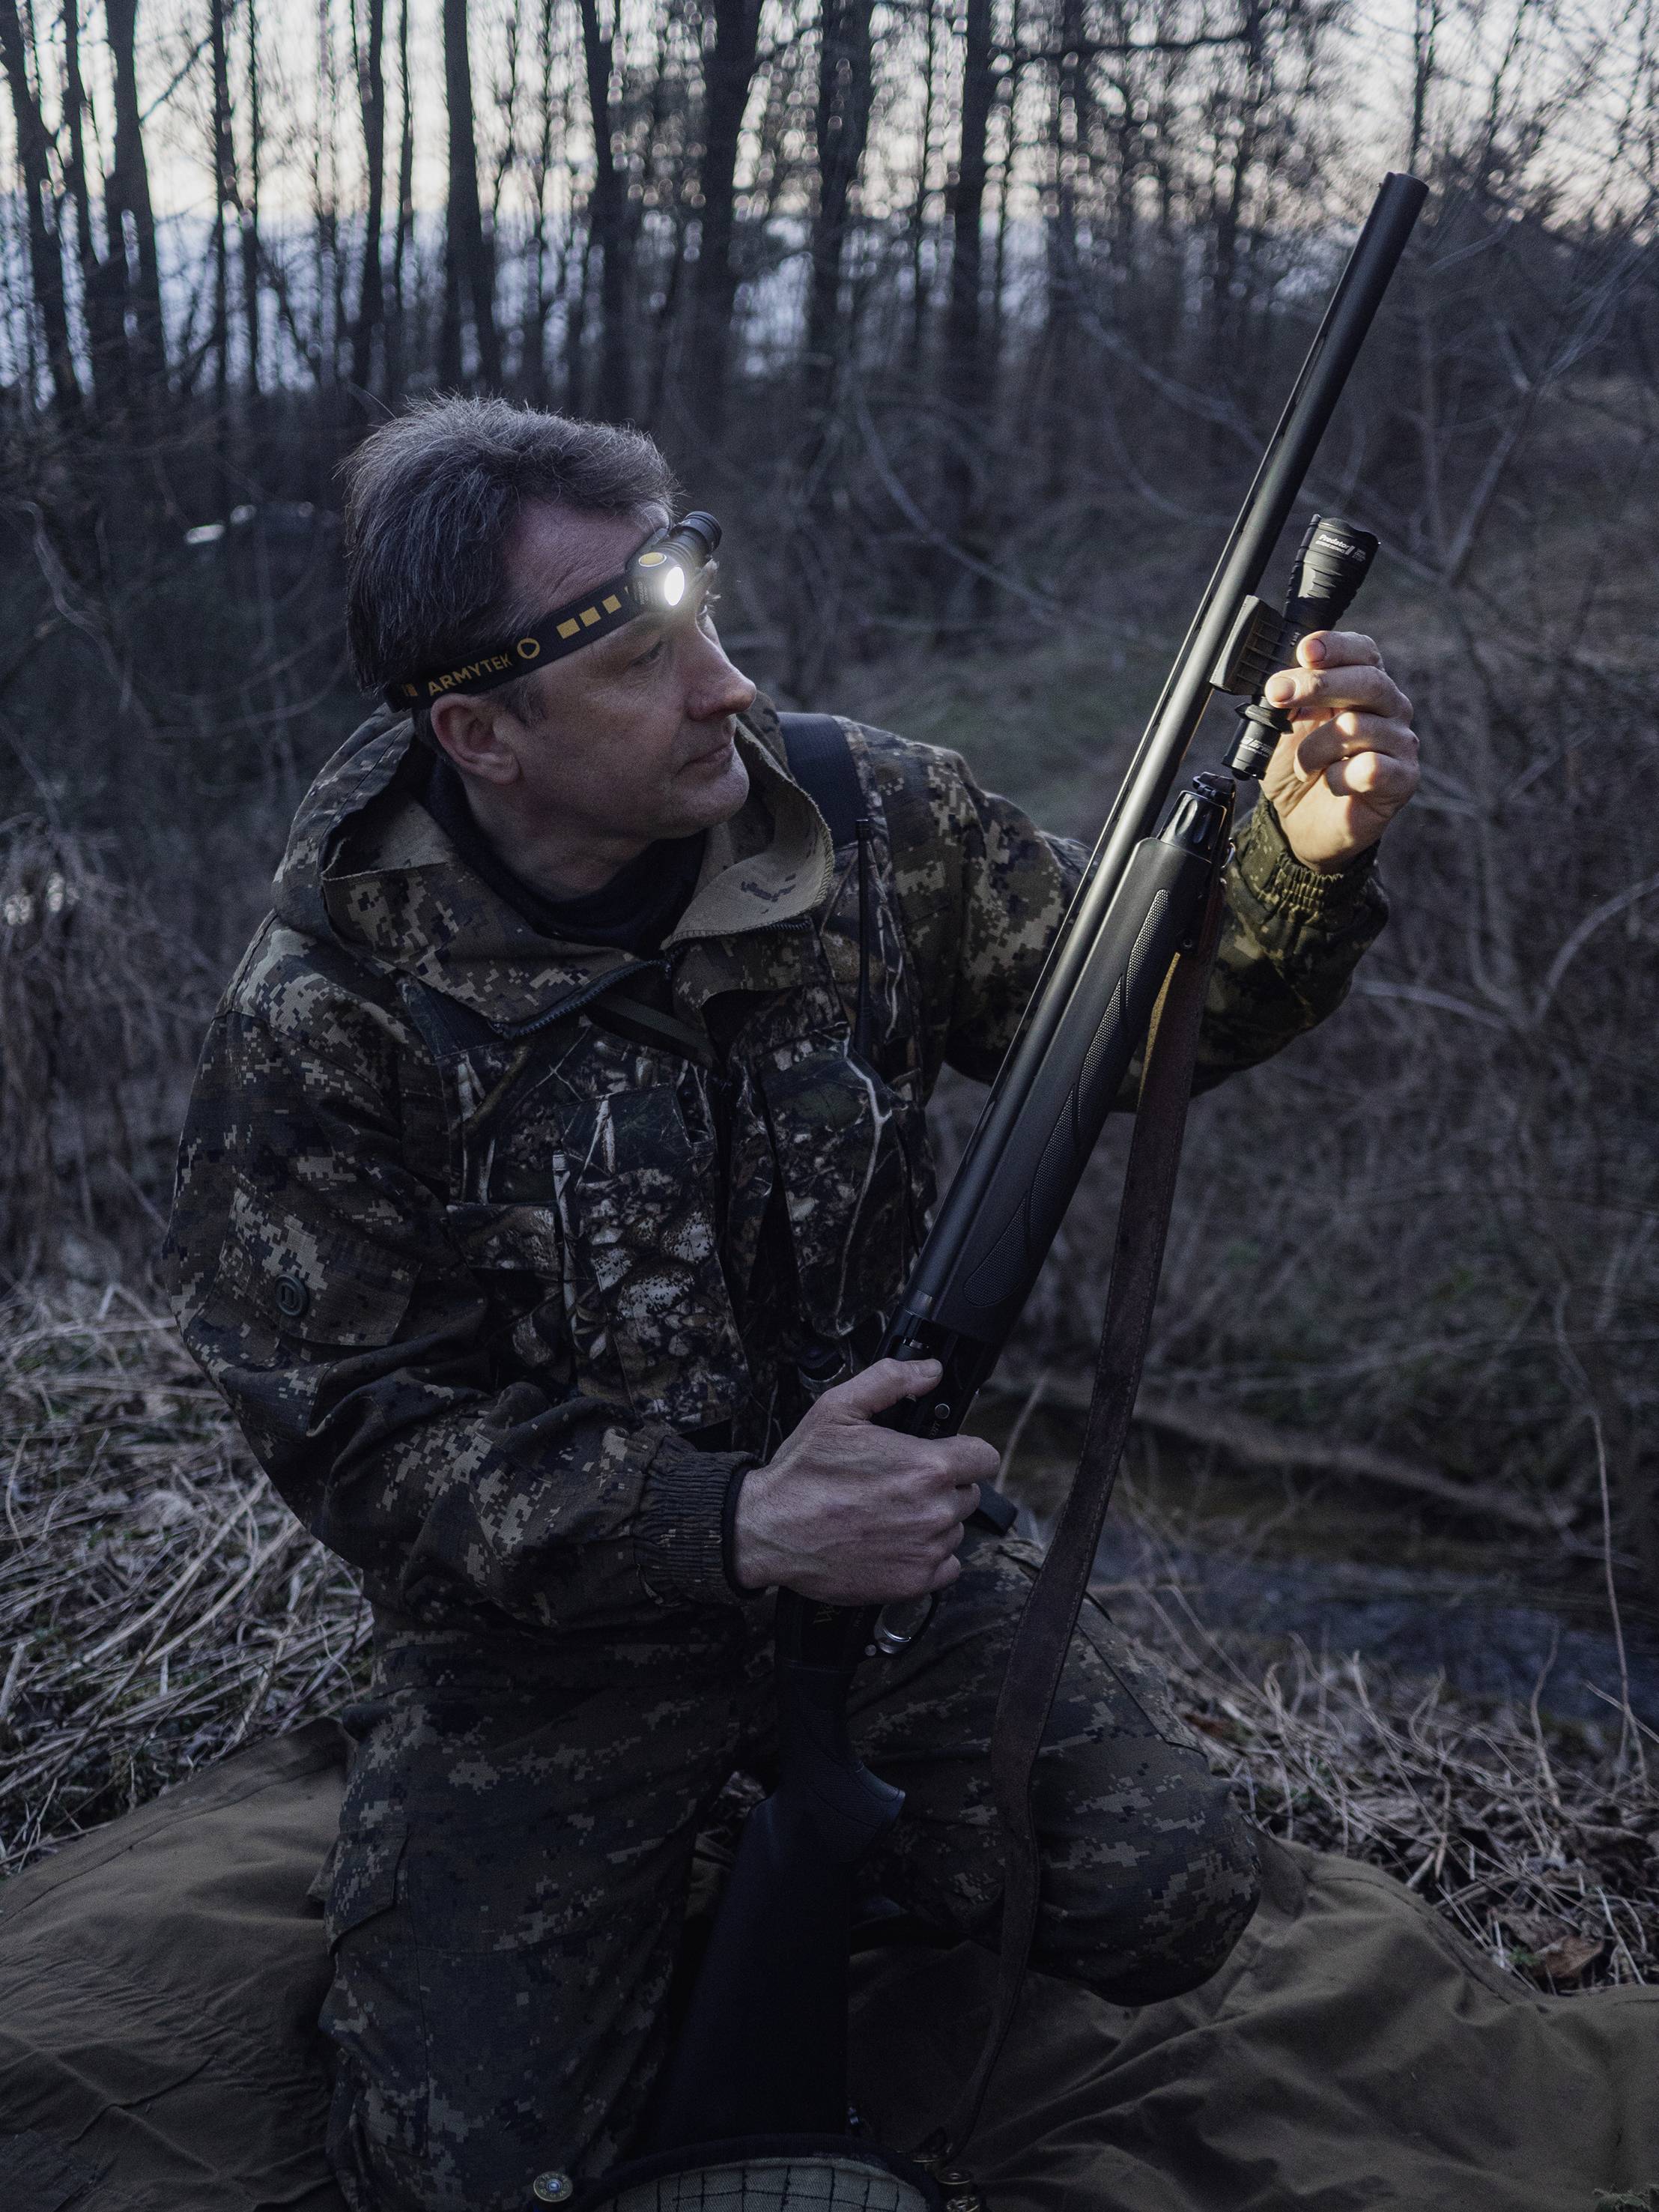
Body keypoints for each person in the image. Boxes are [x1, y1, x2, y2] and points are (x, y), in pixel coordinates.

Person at [163, 398, 1419, 2212]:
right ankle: (661, 1876)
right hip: (553, 1651)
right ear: (479, 733)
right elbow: (353, 1426)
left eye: (707, 608)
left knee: (1171, 1887)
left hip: (901, 1585)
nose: (729, 689)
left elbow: (1127, 1031)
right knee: (461, 2167)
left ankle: (787, 1848)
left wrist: (1299, 856)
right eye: (643, 656)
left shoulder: (868, 821)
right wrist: (735, 1520)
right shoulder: (324, 1013)